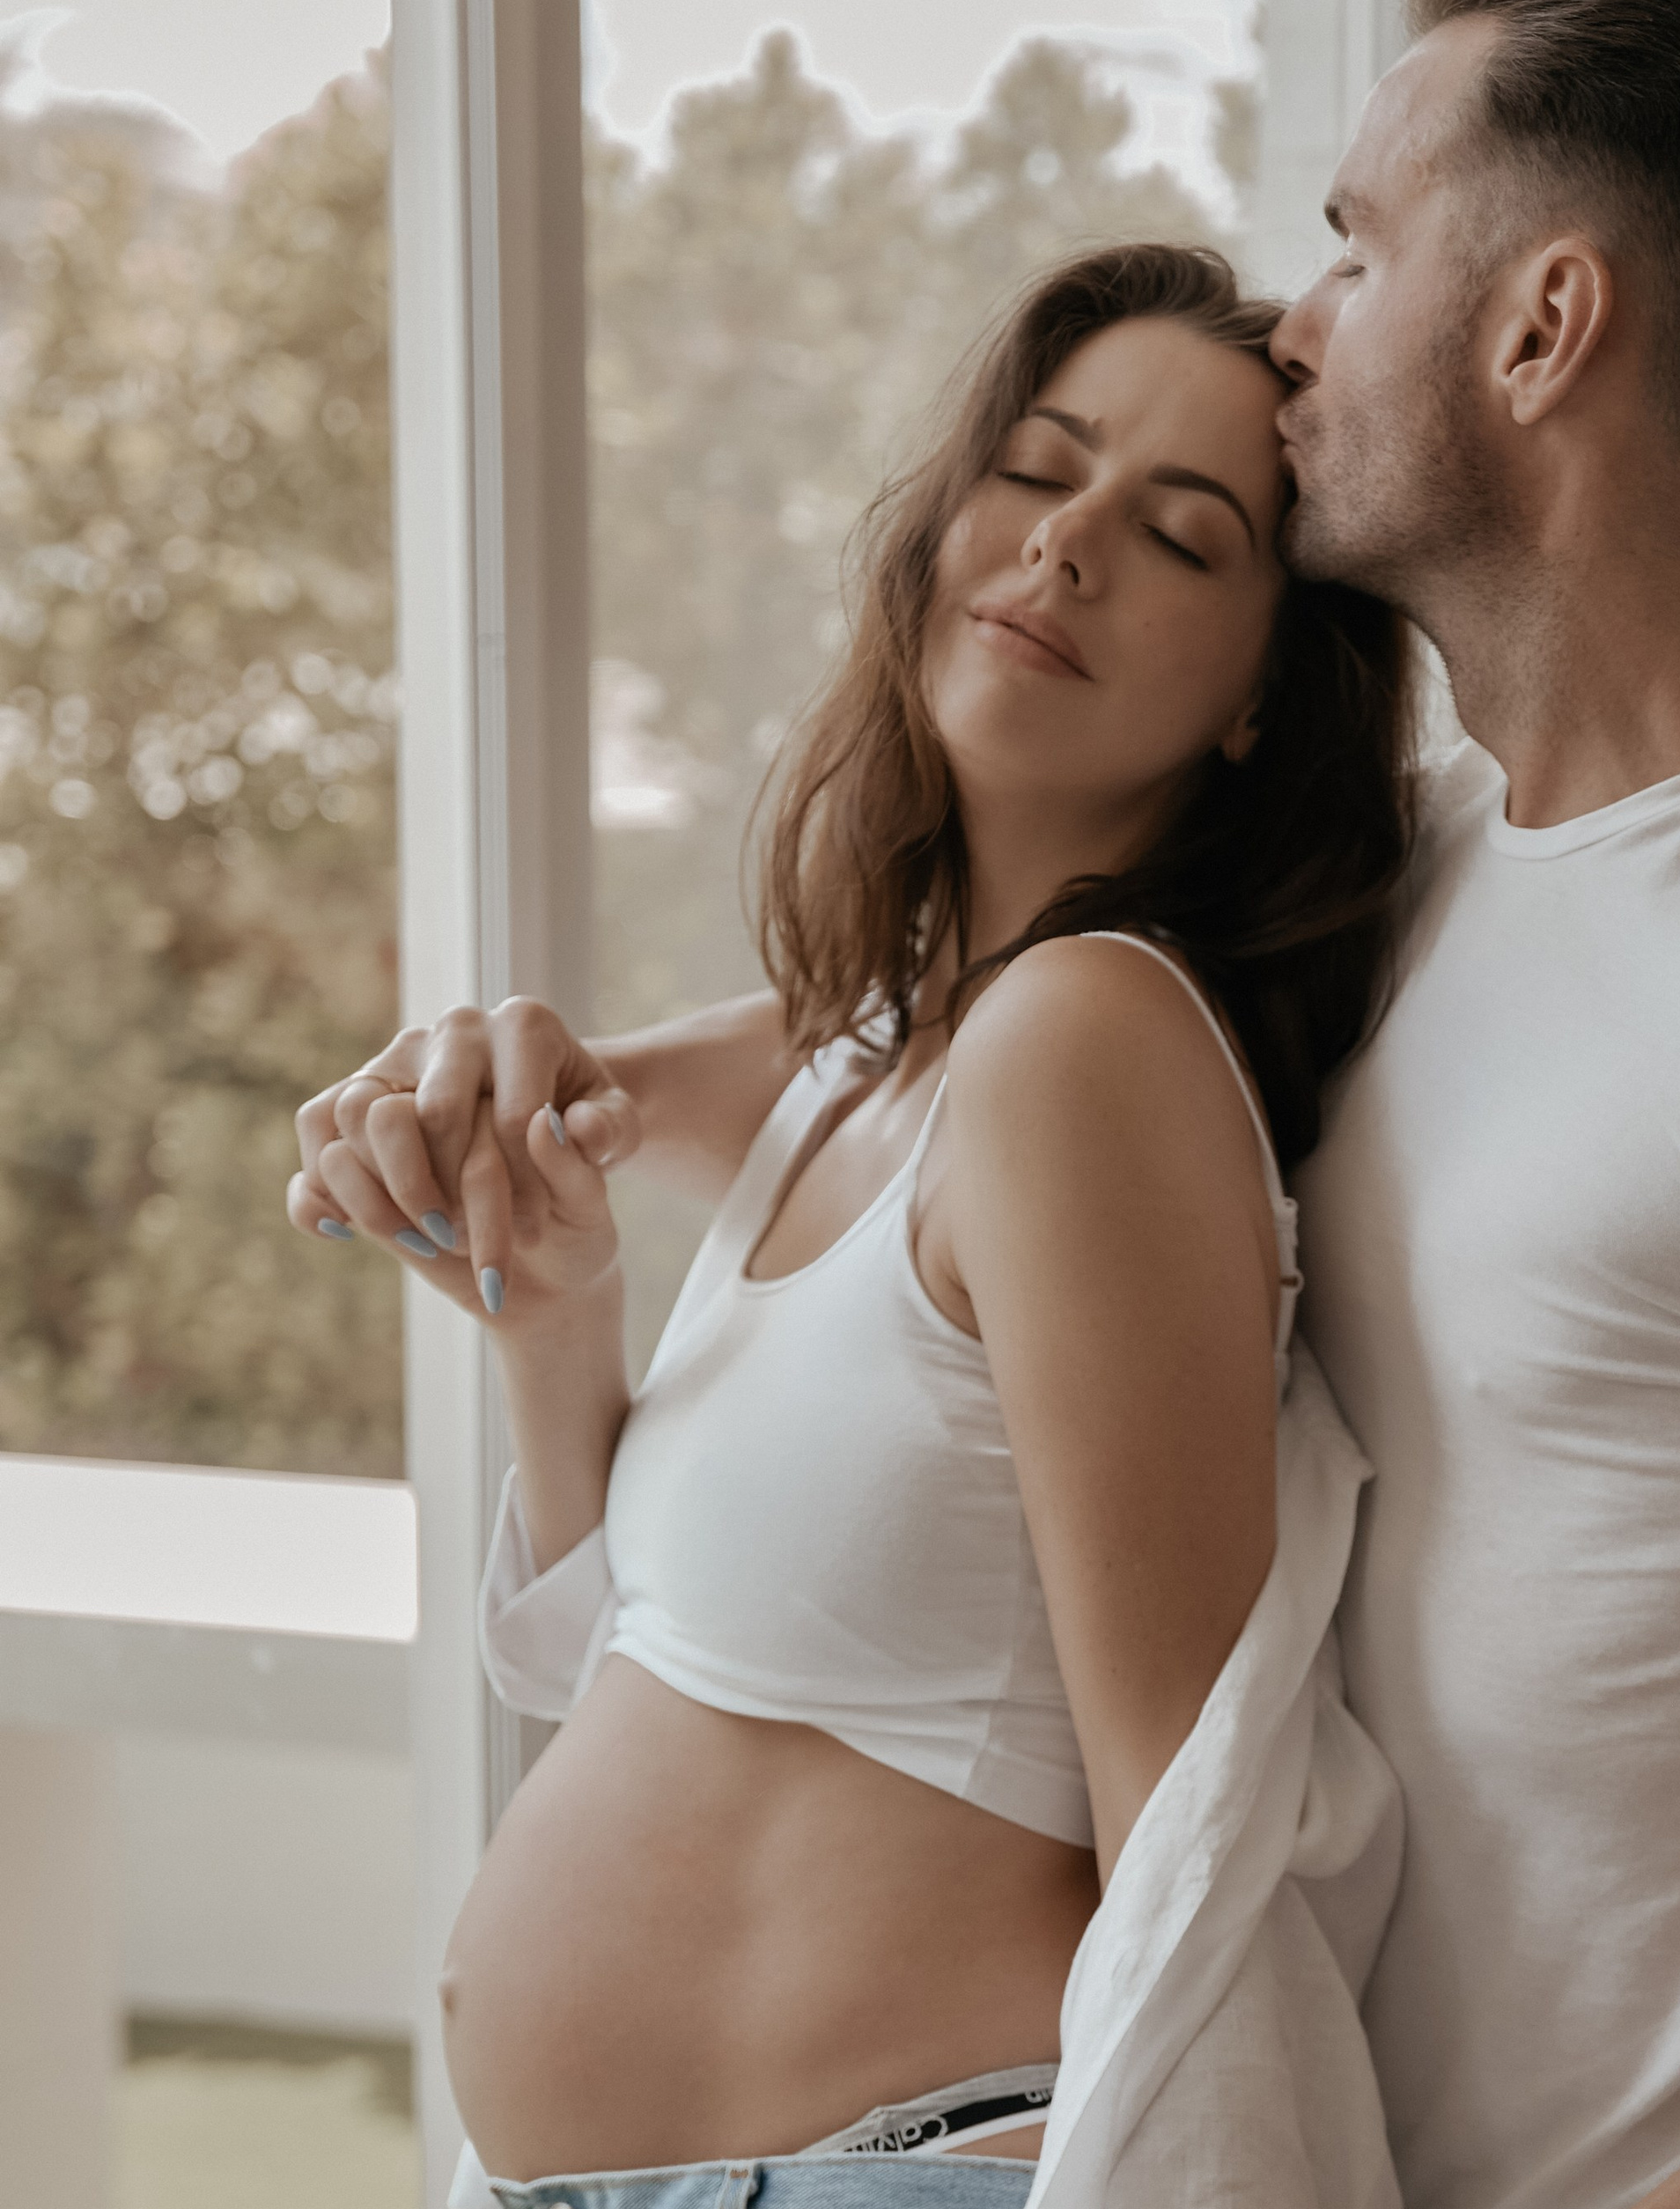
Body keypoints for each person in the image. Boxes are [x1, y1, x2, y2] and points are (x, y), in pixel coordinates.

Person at [307, 0, 1680, 2205]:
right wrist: (544, 1082)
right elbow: (930, 1056)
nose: (1300, 326)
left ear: (1538, 329)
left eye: (1357, 240)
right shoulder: (1419, 879)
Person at [291, 244, 1418, 2206]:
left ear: (1259, 698)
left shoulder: (1084, 1045)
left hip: (889, 2167)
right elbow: (648, 1666)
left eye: (1176, 535)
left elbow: (1191, 1794)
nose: (1063, 548)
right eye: (1036, 466)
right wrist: (551, 1313)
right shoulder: (868, 1051)